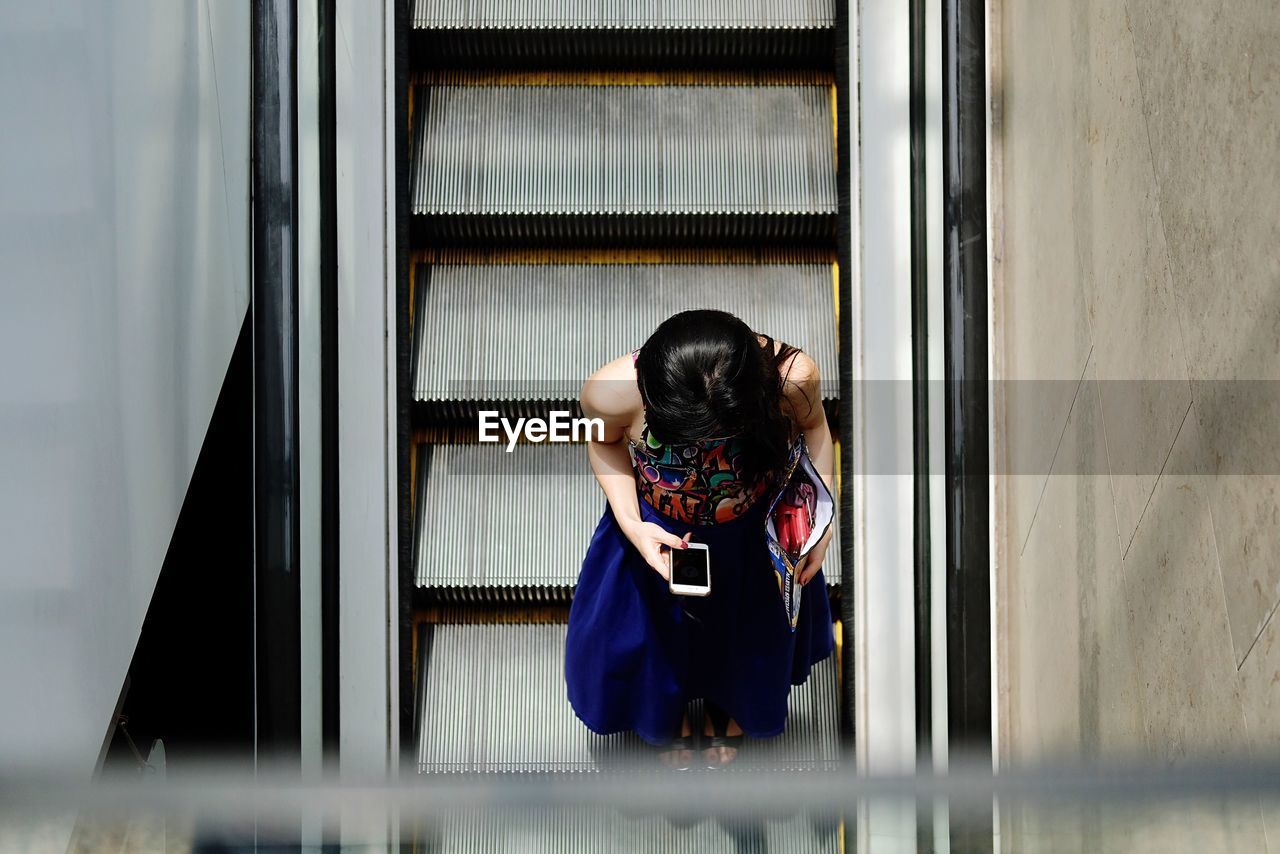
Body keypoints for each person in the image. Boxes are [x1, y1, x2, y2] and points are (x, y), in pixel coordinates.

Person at [564, 309, 836, 770]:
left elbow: (816, 429)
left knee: (745, 640)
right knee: (655, 641)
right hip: (659, 533)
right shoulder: (610, 392)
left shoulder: (792, 378)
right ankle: (664, 717)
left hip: (754, 538)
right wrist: (633, 524)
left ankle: (726, 707)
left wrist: (819, 525)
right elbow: (602, 441)